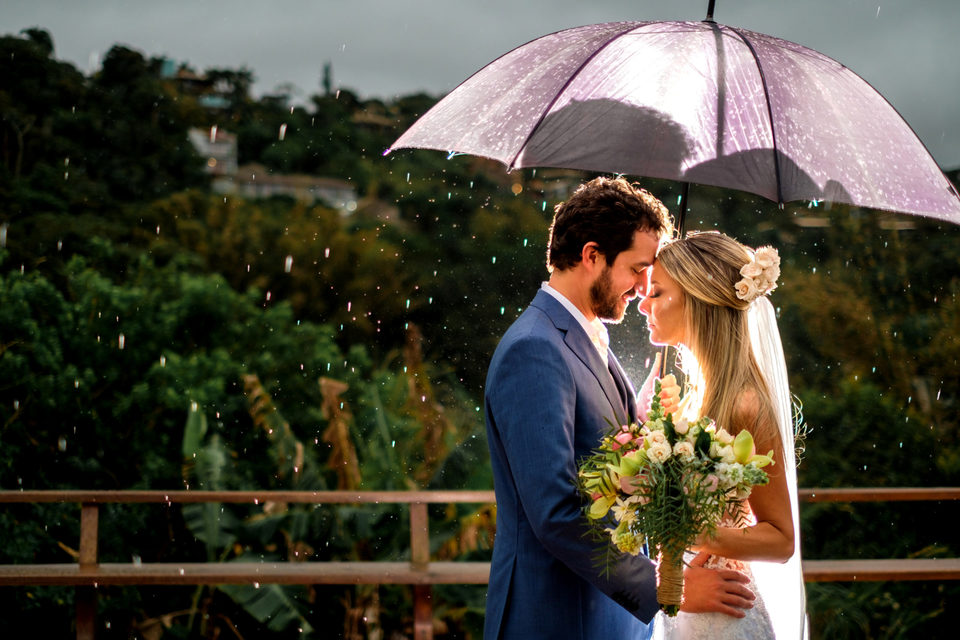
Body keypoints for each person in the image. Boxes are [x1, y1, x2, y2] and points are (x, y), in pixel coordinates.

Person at [483, 178, 757, 640]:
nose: (643, 287)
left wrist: (652, 432)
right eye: (637, 268)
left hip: (608, 618)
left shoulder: (585, 338)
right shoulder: (534, 349)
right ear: (592, 256)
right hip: (557, 618)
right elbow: (557, 511)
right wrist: (668, 589)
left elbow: (607, 467)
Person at [638, 231, 808, 639]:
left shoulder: (746, 403)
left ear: (698, 299)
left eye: (657, 292)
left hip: (723, 613)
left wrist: (694, 533)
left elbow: (781, 539)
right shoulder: (691, 396)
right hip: (685, 603)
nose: (643, 304)